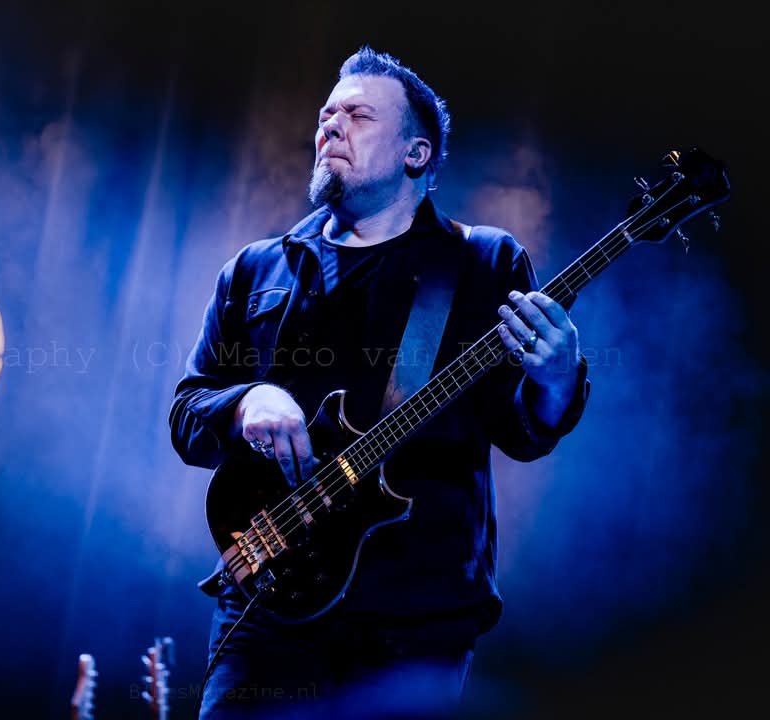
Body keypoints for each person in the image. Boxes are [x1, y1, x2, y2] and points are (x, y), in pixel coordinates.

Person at [169, 45, 589, 719]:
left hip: (414, 619)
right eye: (326, 114)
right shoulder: (256, 270)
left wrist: (557, 377)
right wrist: (247, 400)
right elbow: (188, 414)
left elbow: (522, 430)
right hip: (268, 600)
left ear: (415, 154)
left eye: (359, 115)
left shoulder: (480, 262)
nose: (331, 126)